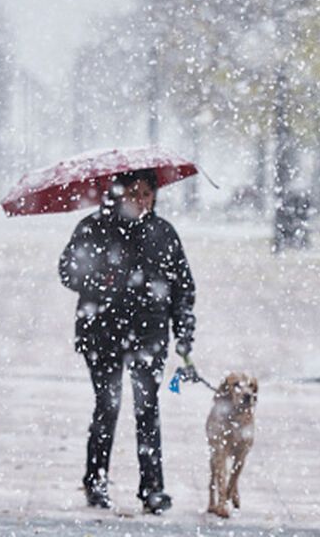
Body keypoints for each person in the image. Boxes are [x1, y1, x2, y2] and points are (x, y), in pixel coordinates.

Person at [58, 169, 196, 514]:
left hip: (149, 335)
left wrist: (184, 335)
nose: (141, 199)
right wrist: (98, 280)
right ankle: (96, 480)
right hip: (102, 332)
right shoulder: (94, 227)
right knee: (108, 404)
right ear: (117, 193)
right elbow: (66, 269)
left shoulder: (163, 233)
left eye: (147, 192)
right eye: (133, 192)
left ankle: (152, 489)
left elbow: (182, 287)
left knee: (147, 408)